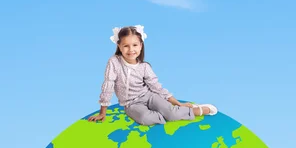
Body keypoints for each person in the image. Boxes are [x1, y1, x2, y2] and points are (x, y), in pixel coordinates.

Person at [88, 25, 218, 125]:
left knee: (171, 114)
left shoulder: (144, 67)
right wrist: (102, 112)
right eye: (126, 46)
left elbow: (157, 87)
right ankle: (167, 114)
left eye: (134, 45)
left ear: (140, 46)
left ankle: (197, 110)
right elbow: (108, 85)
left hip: (149, 96)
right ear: (119, 46)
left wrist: (178, 103)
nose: (131, 50)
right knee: (145, 118)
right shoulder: (114, 62)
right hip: (131, 104)